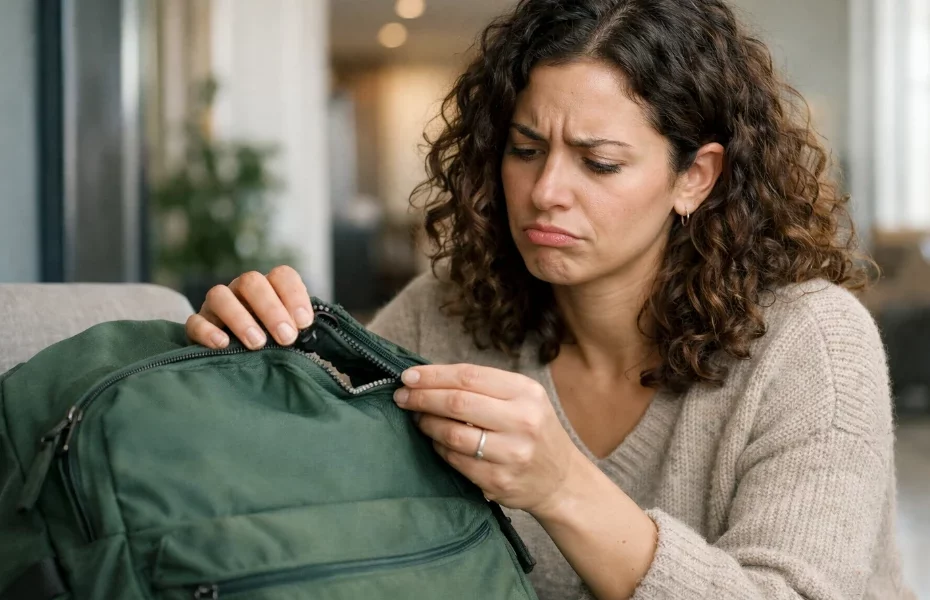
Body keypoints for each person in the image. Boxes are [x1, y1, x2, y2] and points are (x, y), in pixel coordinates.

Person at [183, 0, 914, 598]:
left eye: (599, 162)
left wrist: (564, 488)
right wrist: (240, 367)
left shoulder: (811, 343)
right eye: (525, 150)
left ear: (697, 176)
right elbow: (292, 496)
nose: (545, 192)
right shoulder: (447, 311)